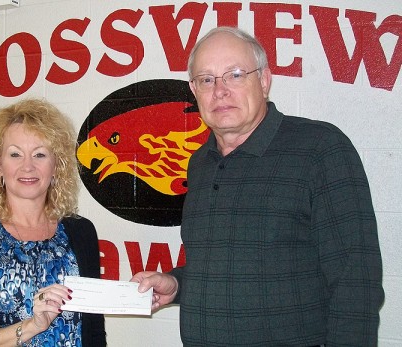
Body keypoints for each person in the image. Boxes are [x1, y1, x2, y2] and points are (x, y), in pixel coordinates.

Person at [132, 26, 384, 346]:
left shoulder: (320, 148)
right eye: (206, 79)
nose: (220, 90)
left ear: (264, 81)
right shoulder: (200, 164)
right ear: (194, 91)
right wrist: (176, 283)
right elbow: (223, 268)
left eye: (235, 75)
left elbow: (356, 284)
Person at [0, 98, 106, 347]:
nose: (28, 166)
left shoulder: (81, 231)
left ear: (56, 166)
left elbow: (94, 331)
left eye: (40, 154)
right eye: (15, 154)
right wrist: (33, 326)